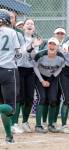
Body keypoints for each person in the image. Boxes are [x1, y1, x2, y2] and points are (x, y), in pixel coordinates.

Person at [16, 19, 43, 133]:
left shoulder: (35, 40)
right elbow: (20, 55)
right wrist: (32, 46)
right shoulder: (19, 38)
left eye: (32, 24)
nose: (30, 25)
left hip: (30, 71)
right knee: (19, 98)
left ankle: (25, 122)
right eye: (28, 24)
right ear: (23, 27)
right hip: (19, 69)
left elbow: (32, 57)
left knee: (29, 99)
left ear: (34, 28)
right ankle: (15, 123)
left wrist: (34, 47)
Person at [33, 37, 65, 133]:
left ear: (58, 47)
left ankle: (51, 125)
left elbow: (60, 68)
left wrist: (50, 79)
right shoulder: (40, 55)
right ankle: (38, 125)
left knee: (53, 99)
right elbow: (35, 68)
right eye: (50, 44)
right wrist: (42, 80)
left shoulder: (61, 57)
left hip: (52, 78)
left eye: (54, 44)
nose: (52, 46)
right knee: (42, 97)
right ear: (47, 45)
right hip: (39, 77)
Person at [0, 9, 20, 143]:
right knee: (10, 108)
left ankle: (9, 136)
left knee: (3, 106)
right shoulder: (12, 32)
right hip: (7, 70)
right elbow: (18, 53)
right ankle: (8, 136)